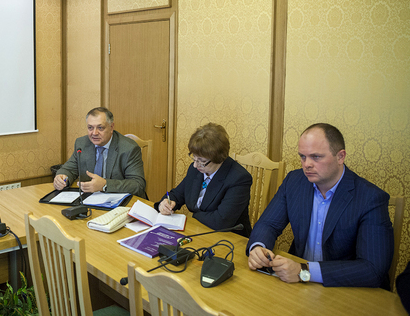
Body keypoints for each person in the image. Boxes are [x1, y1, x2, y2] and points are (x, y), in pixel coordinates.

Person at [247, 123, 394, 288]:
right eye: (303, 157)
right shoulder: (294, 181)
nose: (306, 164)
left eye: (316, 157)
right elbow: (268, 224)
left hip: (344, 288)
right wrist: (258, 247)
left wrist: (304, 271)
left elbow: (372, 269)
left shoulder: (370, 198)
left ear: (340, 157)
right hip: (296, 285)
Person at [154, 123, 252, 237]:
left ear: (218, 158)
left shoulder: (239, 179)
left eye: (201, 161)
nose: (195, 165)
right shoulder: (196, 169)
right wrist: (167, 203)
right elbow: (178, 194)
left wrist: (193, 216)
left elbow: (220, 221)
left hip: (229, 238)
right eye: (194, 158)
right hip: (200, 230)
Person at [53, 107, 146, 198]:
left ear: (111, 127)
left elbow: (138, 185)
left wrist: (105, 185)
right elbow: (69, 169)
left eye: (100, 128)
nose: (94, 133)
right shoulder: (82, 144)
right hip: (90, 199)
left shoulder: (129, 148)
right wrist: (62, 178)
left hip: (120, 201)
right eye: (90, 128)